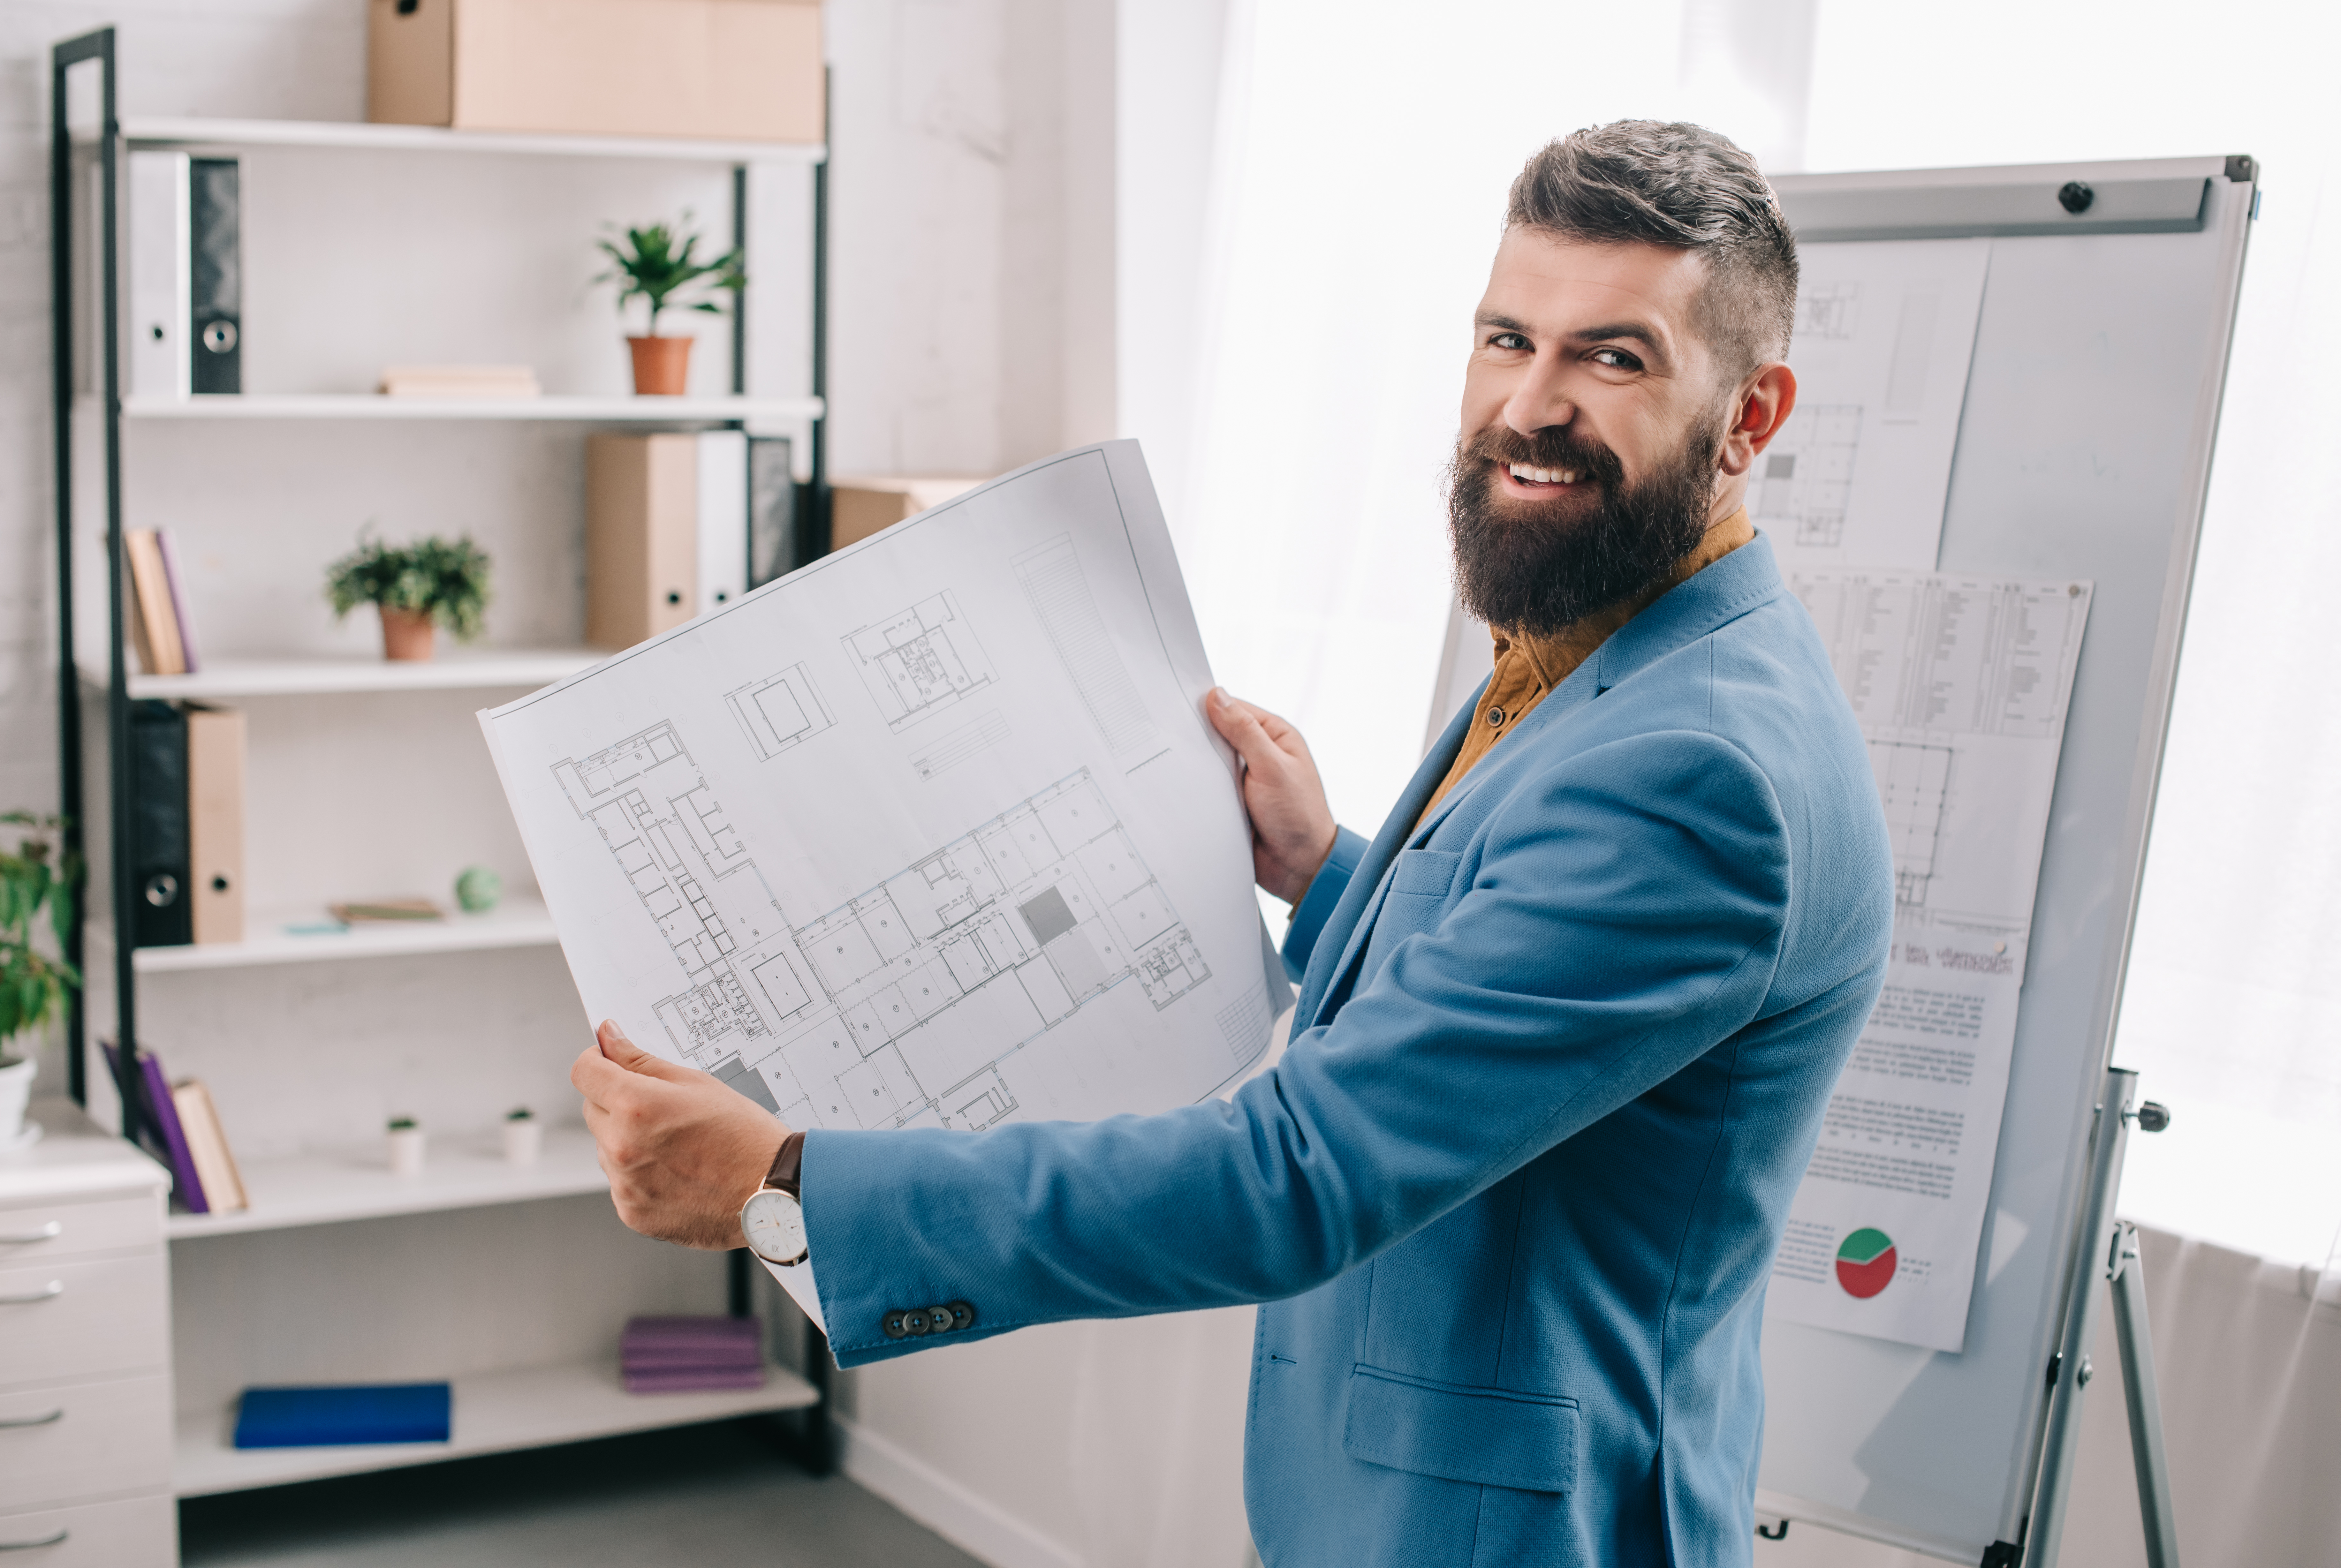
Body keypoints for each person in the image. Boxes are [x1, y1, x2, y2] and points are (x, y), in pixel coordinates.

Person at [574, 120, 1893, 1567]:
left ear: (1748, 419)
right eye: (1508, 337)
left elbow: (1297, 1175)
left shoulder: (1694, 770)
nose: (1531, 404)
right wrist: (1328, 870)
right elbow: (1526, 1011)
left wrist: (791, 1184)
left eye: (1614, 357)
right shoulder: (1592, 643)